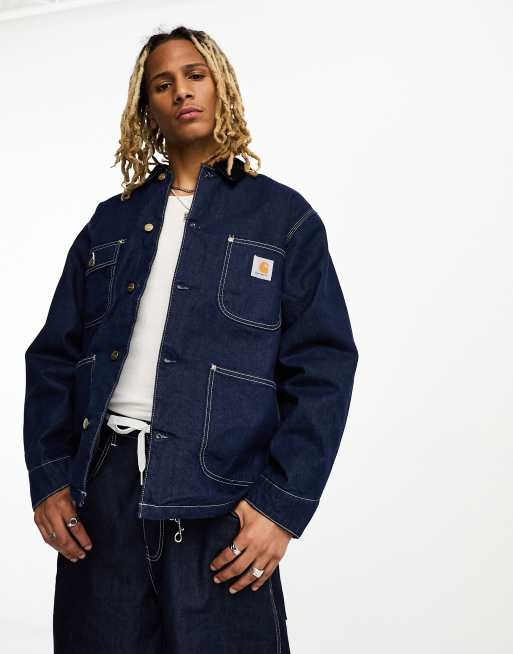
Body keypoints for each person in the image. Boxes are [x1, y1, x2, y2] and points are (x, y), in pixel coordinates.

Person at [23, 25, 358, 653]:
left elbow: (324, 368)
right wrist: (48, 479)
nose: (181, 91)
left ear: (220, 86)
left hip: (222, 505)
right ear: (146, 108)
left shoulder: (283, 220)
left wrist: (281, 507)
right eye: (163, 84)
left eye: (195, 75)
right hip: (106, 502)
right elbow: (52, 359)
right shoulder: (111, 223)